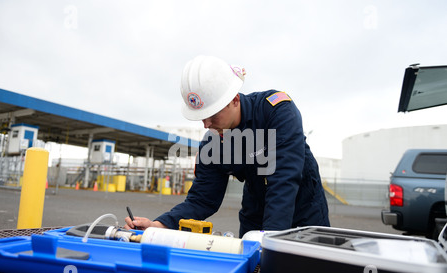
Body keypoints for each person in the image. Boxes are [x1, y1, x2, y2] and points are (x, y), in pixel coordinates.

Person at [124, 55, 330, 237]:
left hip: (303, 210)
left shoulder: (276, 112)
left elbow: (284, 180)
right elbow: (202, 199)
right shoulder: (212, 144)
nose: (206, 124)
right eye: (201, 118)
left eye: (212, 115)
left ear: (234, 99)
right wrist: (158, 225)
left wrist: (269, 240)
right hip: (256, 213)